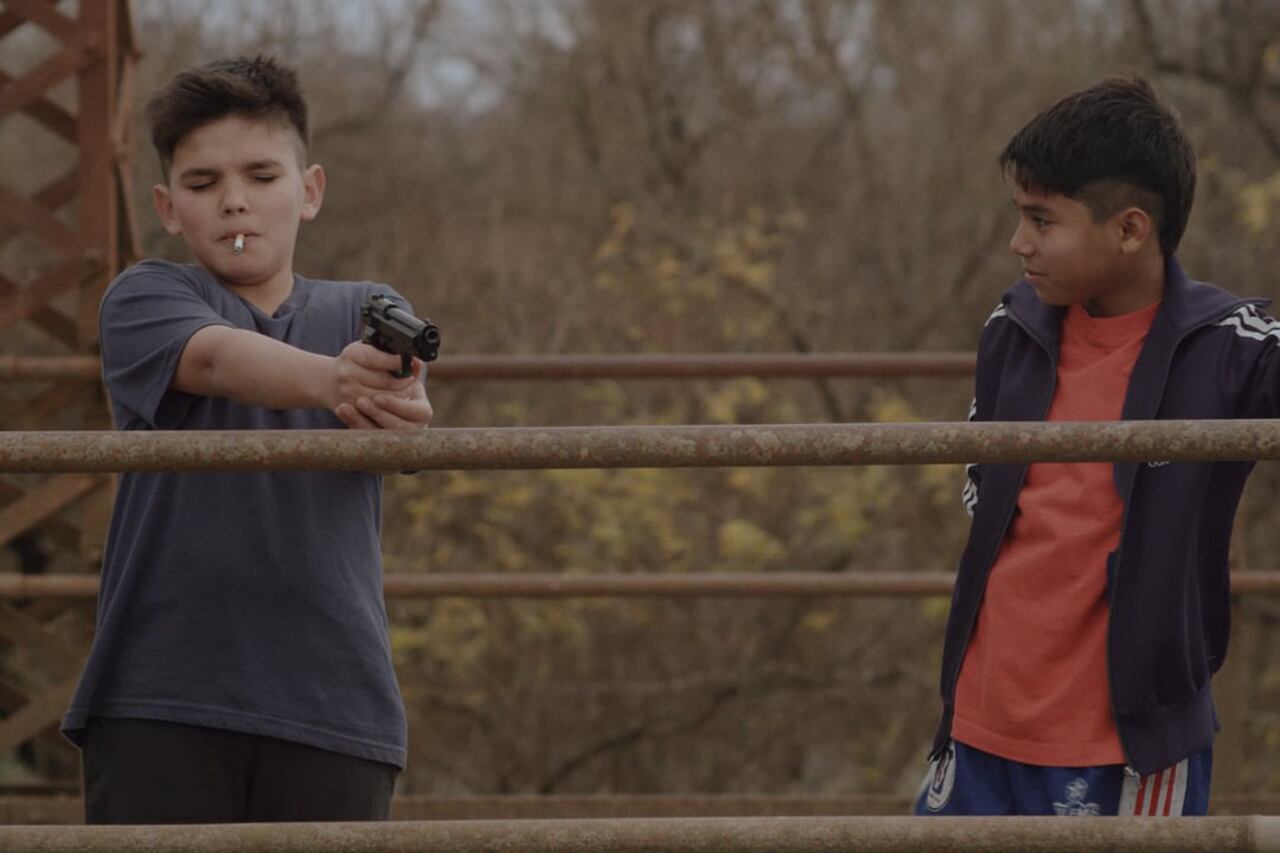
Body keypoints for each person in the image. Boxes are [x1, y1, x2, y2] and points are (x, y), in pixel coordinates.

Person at [62, 55, 433, 824]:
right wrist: (335, 381)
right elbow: (214, 357)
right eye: (204, 185)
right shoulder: (145, 295)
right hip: (158, 694)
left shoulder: (371, 306)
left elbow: (402, 407)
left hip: (335, 703)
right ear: (168, 206)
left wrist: (399, 393)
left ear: (311, 191)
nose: (235, 203)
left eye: (262, 176)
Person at [916, 77, 1266, 816]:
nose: (1019, 243)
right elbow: (986, 494)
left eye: (1043, 221)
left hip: (1122, 747)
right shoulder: (1013, 329)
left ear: (1130, 229)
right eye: (1020, 216)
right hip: (981, 727)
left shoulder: (1227, 346)